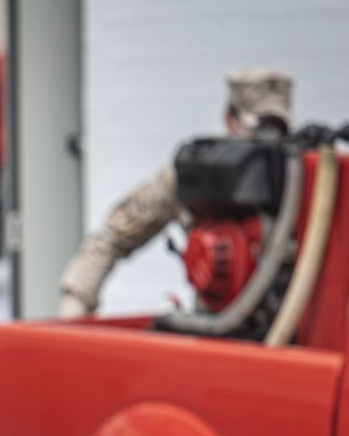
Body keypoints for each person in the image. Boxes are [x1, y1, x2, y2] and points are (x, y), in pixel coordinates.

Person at [58, 67, 295, 319]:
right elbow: (112, 238)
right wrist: (76, 300)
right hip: (216, 330)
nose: (266, 141)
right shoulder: (194, 178)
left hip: (292, 335)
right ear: (229, 119)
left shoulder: (306, 181)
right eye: (257, 129)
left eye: (275, 128)